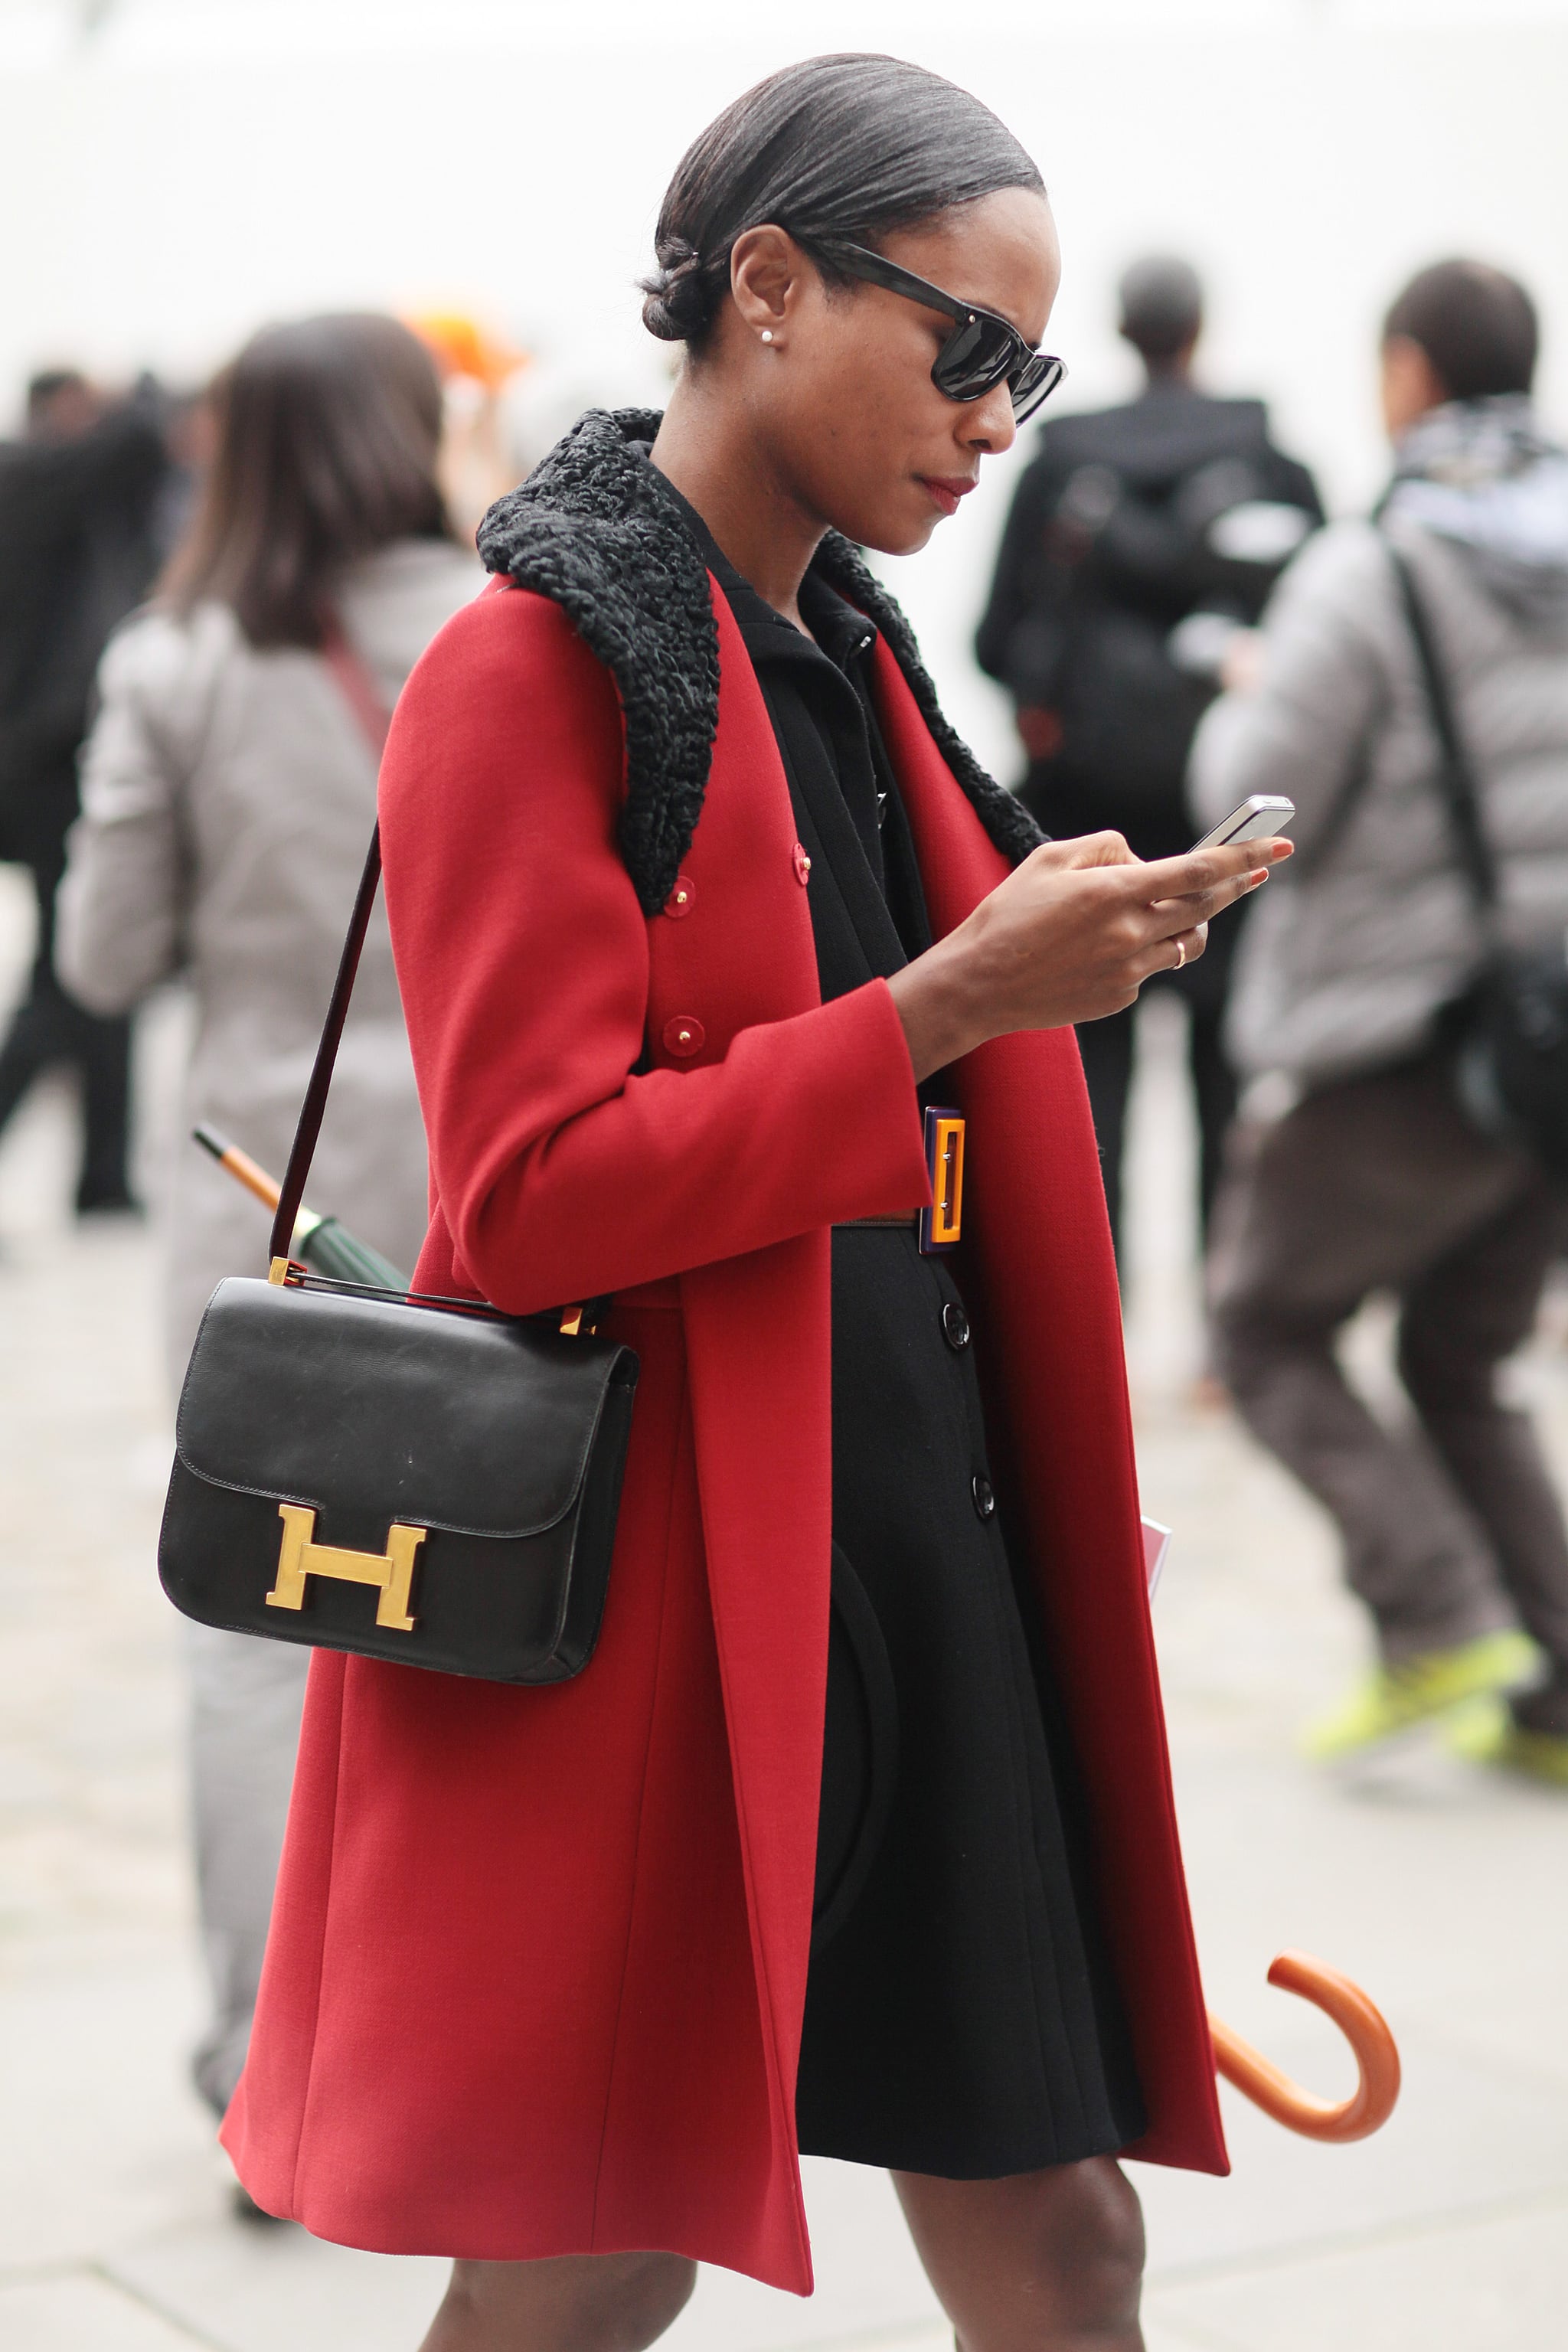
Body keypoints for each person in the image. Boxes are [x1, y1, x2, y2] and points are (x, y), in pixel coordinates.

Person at [220, 58, 1289, 2349]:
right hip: (690, 1588)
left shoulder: (846, 649)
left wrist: (1051, 959)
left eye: (1036, 366)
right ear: (770, 290)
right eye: (968, 350)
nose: (998, 421)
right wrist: (930, 1008)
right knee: (601, 2252)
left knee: (1057, 2230)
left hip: (909, 1543)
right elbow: (524, 1198)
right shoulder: (534, 661)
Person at [56, 314, 479, 2166]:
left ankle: (259, 2073)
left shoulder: (173, 663)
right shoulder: (511, 633)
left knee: (254, 1621)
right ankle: (463, 2044)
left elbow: (96, 960)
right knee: (491, 1591)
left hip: (263, 1192)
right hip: (493, 1175)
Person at [1194, 259, 1568, 1782]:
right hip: (1553, 1053)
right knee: (1459, 1353)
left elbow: (1250, 803)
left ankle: (1433, 1621)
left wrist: (1245, 681)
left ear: (1406, 374)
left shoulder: (1373, 573)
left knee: (1263, 1322)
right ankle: (1547, 1680)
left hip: (1403, 1040)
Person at [977, 257, 1321, 1257]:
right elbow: (1319, 644)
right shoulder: (1274, 466)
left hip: (1089, 818)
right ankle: (1221, 1327)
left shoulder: (1059, 468)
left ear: (1123, 331)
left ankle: (1104, 1306)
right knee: (1226, 1074)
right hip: (1234, 829)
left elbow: (996, 642)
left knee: (1096, 1075)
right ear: (1200, 328)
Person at [0, 370, 172, 1214]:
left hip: (54, 758)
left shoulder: (52, 489)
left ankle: (102, 1175)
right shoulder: (24, 475)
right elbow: (137, 443)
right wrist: (139, 391)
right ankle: (97, 1172)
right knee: (63, 975)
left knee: (98, 972)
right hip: (41, 767)